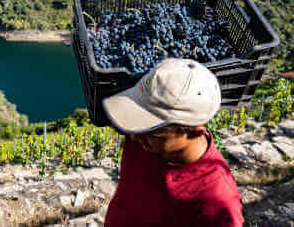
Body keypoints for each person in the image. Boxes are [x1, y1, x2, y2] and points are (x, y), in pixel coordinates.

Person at [102, 58, 244, 227]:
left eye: (153, 132)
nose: (132, 137)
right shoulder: (144, 136)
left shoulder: (217, 200)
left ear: (195, 132)